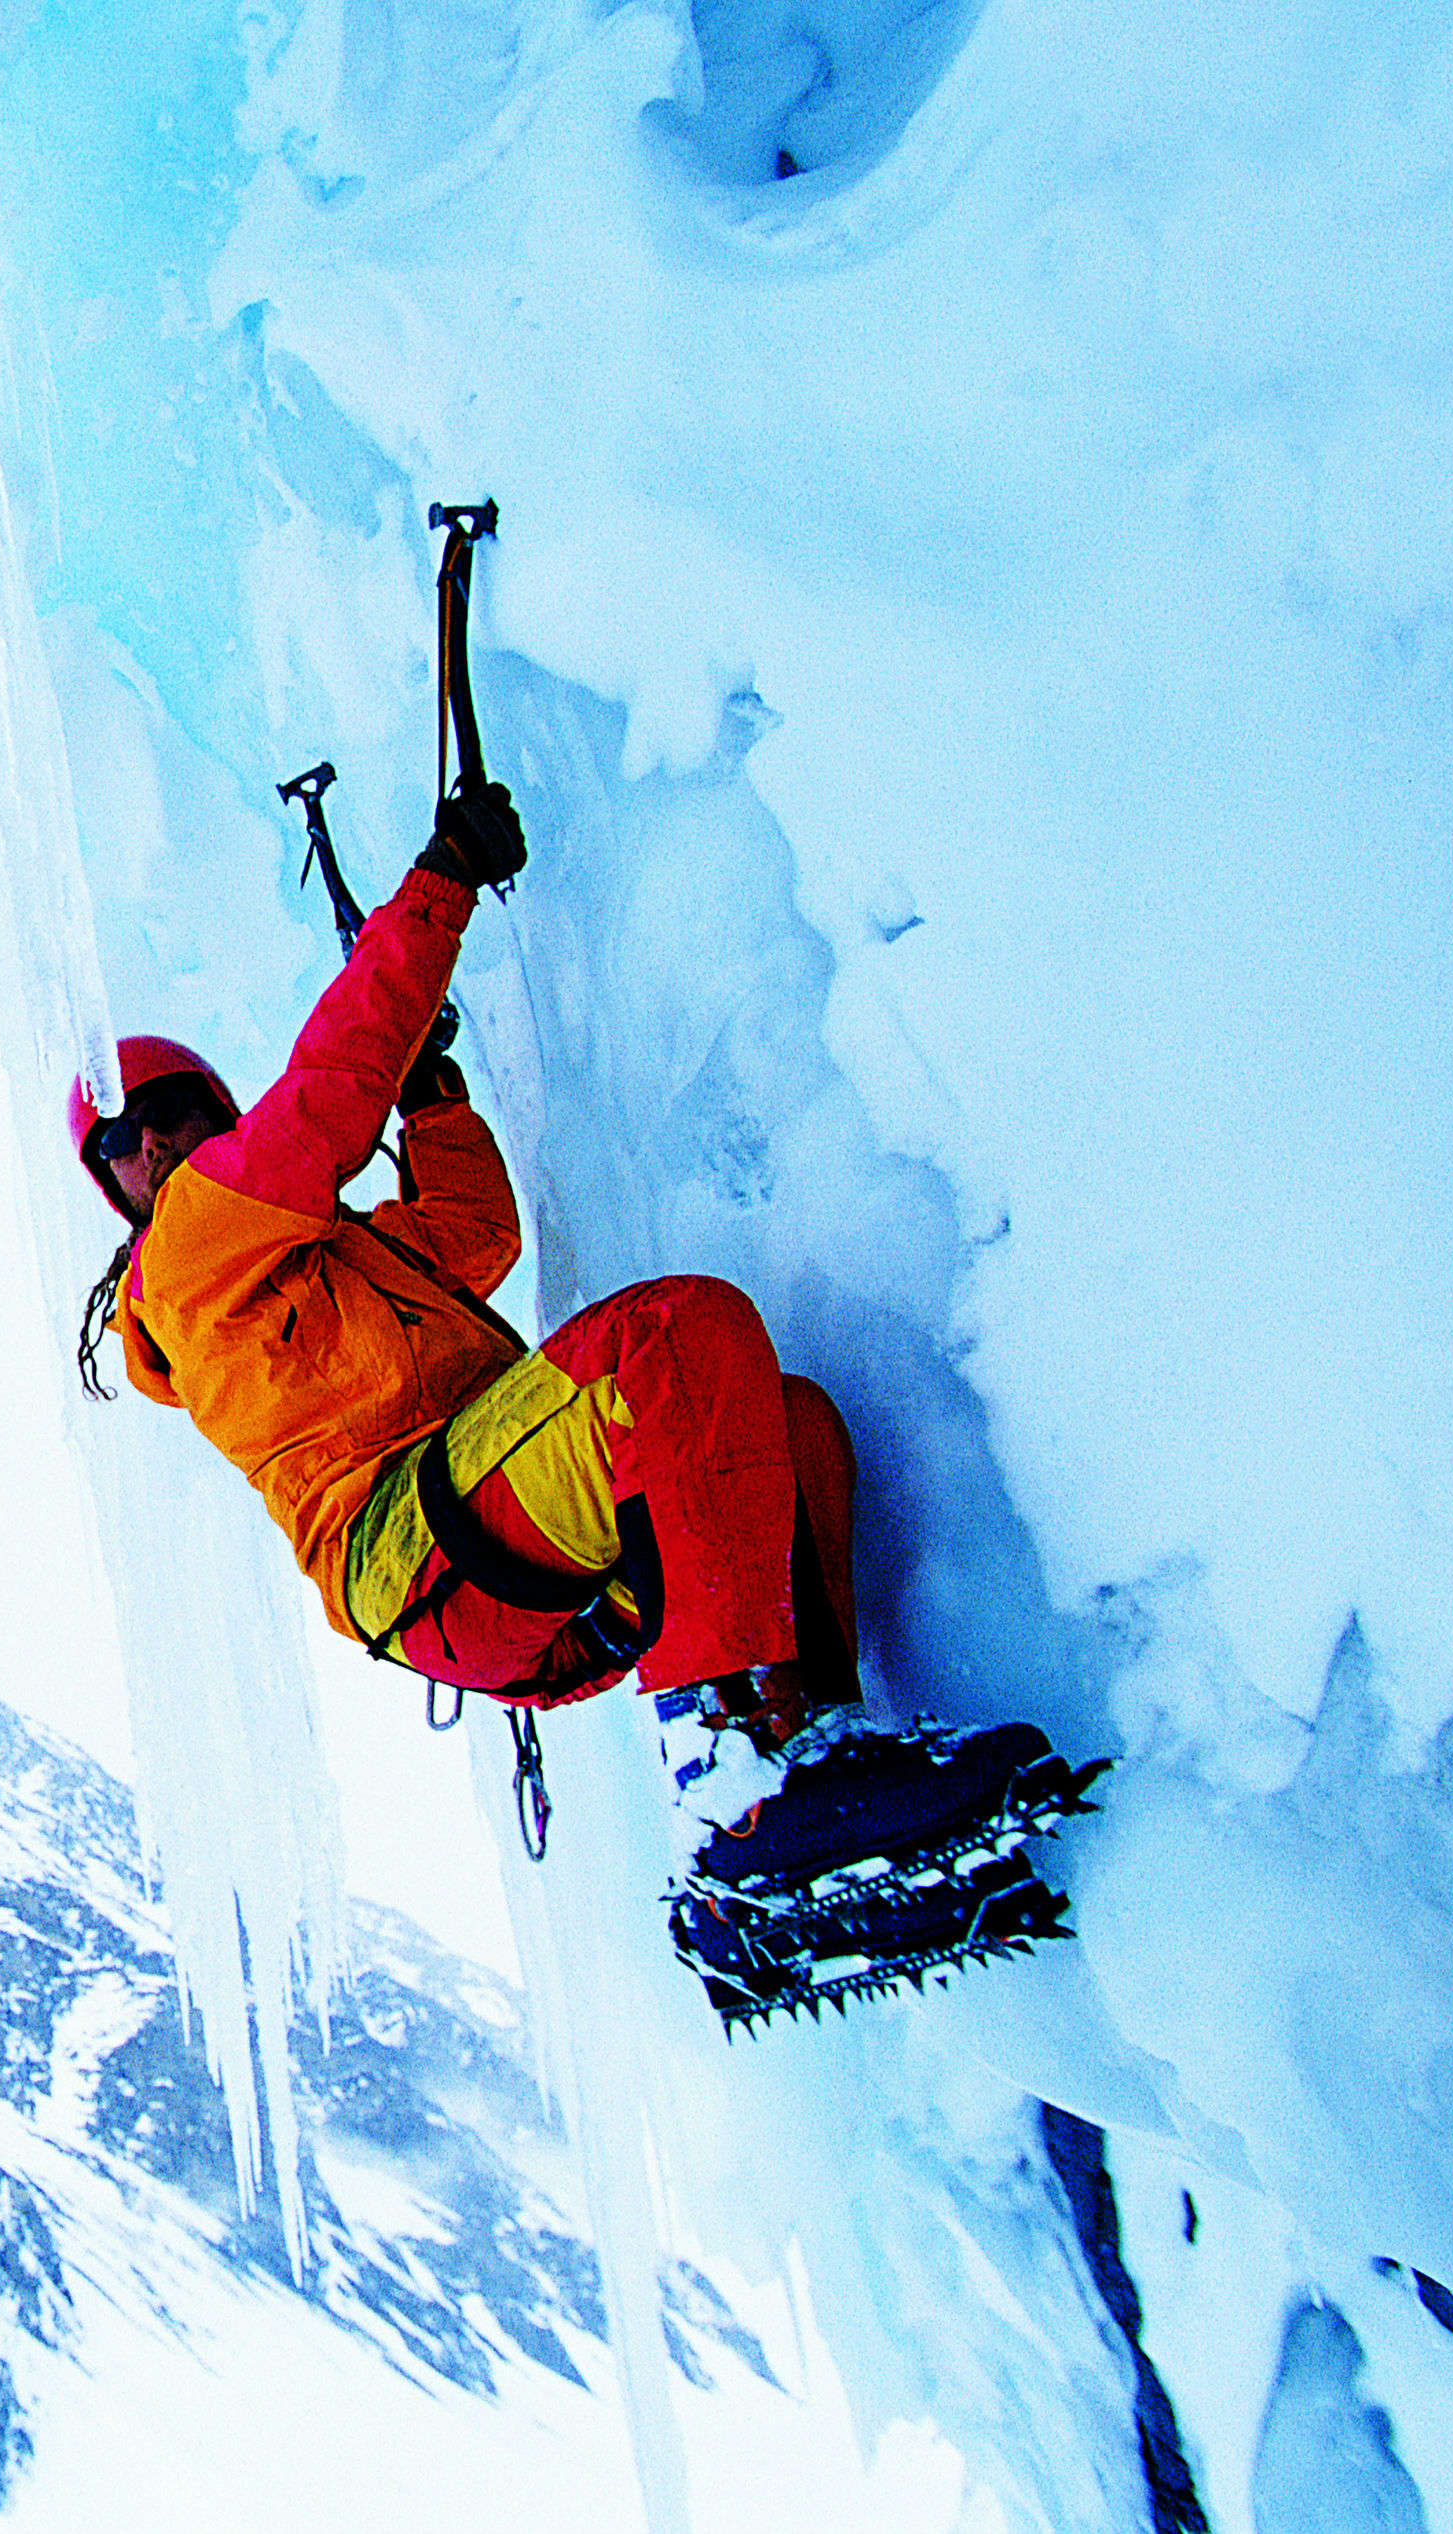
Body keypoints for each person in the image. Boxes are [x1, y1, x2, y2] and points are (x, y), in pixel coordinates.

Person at [73, 784, 1087, 2015]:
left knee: (792, 1425)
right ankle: (732, 1793)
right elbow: (325, 1100)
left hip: (499, 1576)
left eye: (175, 1114)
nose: (152, 1143)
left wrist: (432, 1092)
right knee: (665, 1336)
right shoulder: (182, 1254)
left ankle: (802, 1757)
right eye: (120, 1141)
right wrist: (437, 886)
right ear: (119, 1195)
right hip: (422, 1546)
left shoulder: (331, 1266)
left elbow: (472, 1234)